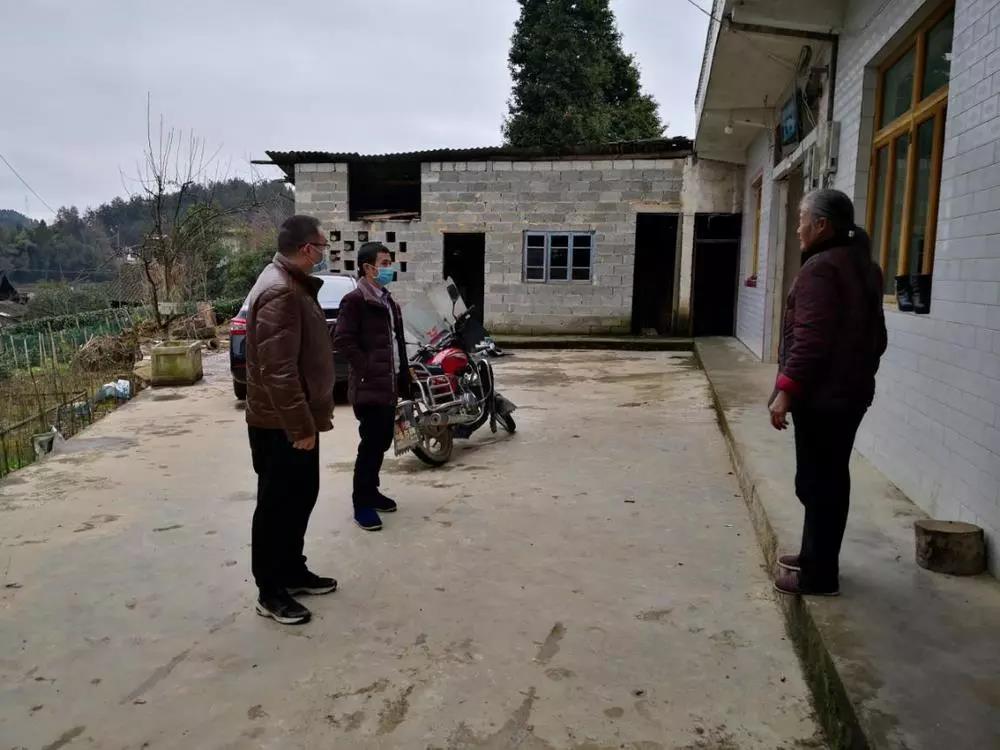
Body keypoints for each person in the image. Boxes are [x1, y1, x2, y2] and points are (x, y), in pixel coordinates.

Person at [769, 188, 887, 597]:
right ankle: (815, 557)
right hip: (849, 396)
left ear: (822, 225)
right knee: (829, 479)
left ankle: (819, 576)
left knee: (818, 483)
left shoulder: (821, 269)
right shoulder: (865, 266)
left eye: (802, 219)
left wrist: (785, 391)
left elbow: (810, 340)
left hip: (822, 399)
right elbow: (878, 339)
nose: (798, 228)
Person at [245, 215, 337, 625]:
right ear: (306, 248)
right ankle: (270, 591)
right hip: (280, 424)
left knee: (301, 496)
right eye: (322, 245)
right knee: (277, 506)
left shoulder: (292, 283)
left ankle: (291, 570)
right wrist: (299, 427)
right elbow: (278, 370)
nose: (323, 252)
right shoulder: (281, 290)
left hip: (296, 419)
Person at [333, 242, 410, 531]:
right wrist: (365, 367)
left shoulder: (388, 301)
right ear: (368, 267)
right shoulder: (355, 301)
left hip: (389, 385)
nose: (390, 268)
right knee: (371, 445)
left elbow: (396, 342)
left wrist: (404, 375)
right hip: (369, 387)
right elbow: (342, 339)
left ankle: (372, 492)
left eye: (390, 262)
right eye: (384, 263)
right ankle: (361, 503)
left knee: (382, 442)